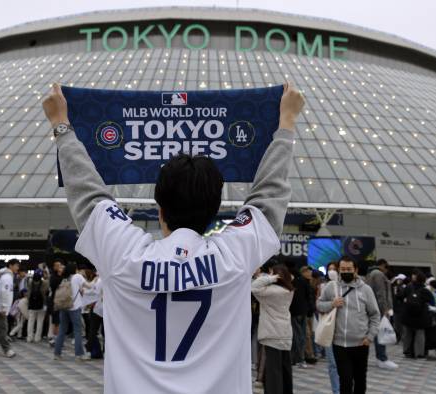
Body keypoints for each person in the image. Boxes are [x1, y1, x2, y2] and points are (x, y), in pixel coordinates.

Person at [43, 80, 303, 393]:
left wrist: (61, 125)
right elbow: (269, 195)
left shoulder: (125, 256)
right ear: (214, 211)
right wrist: (286, 123)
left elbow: (87, 192)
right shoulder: (234, 257)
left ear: (160, 209)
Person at [317, 256, 380, 394]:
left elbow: (375, 315)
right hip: (339, 344)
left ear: (355, 270)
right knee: (345, 380)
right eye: (343, 269)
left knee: (360, 380)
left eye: (349, 269)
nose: (346, 272)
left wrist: (370, 337)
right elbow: (319, 305)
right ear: (339, 270)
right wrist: (332, 304)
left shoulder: (366, 289)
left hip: (361, 343)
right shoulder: (331, 286)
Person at [251, 264, 295, 394]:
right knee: (285, 372)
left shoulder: (271, 292)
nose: (268, 276)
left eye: (271, 273)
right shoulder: (289, 289)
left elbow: (253, 287)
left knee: (273, 375)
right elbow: (290, 278)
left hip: (271, 335)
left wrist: (273, 278)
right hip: (285, 334)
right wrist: (280, 277)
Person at [365, 258, 398, 369]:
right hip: (378, 309)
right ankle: (382, 358)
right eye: (387, 268)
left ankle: (380, 358)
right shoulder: (378, 274)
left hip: (371, 308)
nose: (387, 271)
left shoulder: (370, 274)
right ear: (383, 265)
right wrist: (384, 309)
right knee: (380, 333)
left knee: (373, 333)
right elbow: (381, 293)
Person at [53, 262, 86, 360]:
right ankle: (79, 354)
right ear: (75, 269)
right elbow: (88, 286)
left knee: (62, 330)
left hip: (64, 306)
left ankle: (57, 353)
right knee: (77, 330)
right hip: (74, 307)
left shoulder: (65, 278)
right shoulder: (77, 276)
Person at [401, 269, 434, 359]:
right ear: (423, 280)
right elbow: (432, 301)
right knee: (420, 334)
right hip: (420, 316)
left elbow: (400, 296)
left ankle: (406, 350)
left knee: (408, 333)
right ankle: (419, 353)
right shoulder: (425, 290)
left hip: (408, 314)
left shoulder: (408, 287)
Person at [320, 262, 341, 394]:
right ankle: (336, 391)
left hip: (345, 331)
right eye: (330, 269)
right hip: (329, 328)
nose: (332, 271)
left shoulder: (345, 286)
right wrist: (331, 304)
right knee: (332, 364)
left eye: (334, 269)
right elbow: (319, 305)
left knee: (345, 365)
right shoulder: (326, 286)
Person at [289, 264, 311, 368]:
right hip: (302, 312)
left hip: (294, 312)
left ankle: (296, 359)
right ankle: (300, 359)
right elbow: (309, 296)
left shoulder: (292, 282)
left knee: (297, 336)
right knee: (301, 336)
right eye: (307, 272)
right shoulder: (304, 282)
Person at [26, 269, 48, 343]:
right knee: (40, 321)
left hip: (32, 304)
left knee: (31, 321)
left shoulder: (30, 282)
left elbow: (28, 292)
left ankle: (29, 337)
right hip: (41, 304)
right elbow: (45, 294)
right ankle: (37, 338)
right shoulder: (44, 283)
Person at [47, 259, 64, 345]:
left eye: (60, 265)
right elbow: (54, 286)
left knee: (60, 321)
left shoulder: (64, 276)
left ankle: (57, 338)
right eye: (56, 265)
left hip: (63, 301)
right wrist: (60, 274)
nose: (59, 267)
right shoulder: (53, 276)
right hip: (55, 301)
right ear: (54, 267)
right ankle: (55, 338)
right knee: (56, 321)